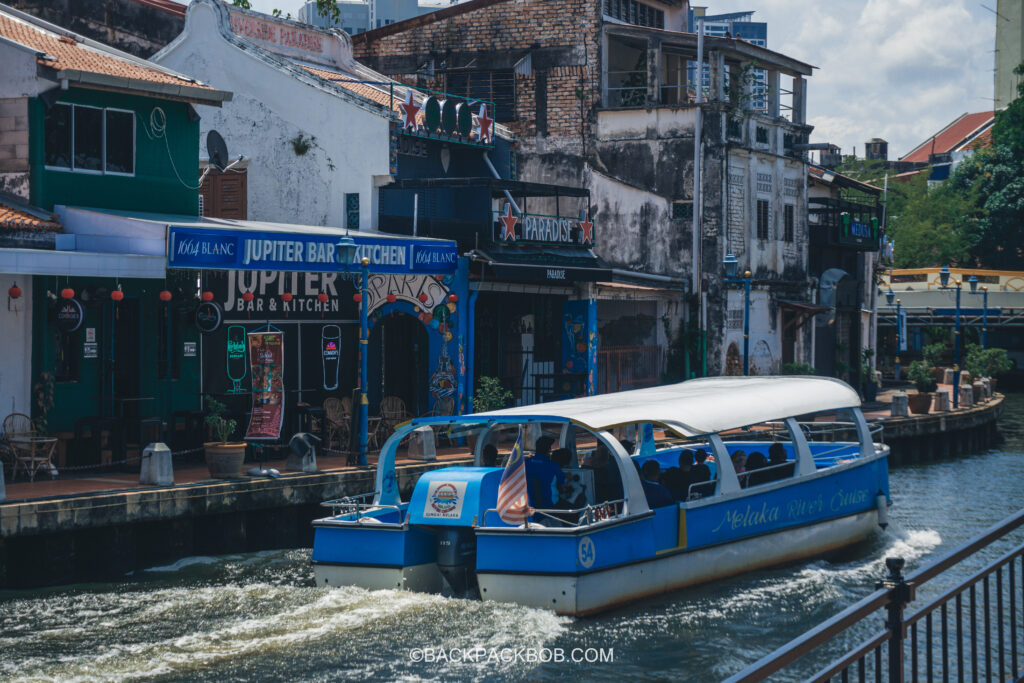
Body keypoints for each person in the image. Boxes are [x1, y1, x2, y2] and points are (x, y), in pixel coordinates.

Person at [525, 435, 566, 508]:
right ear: (549, 450)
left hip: (528, 506)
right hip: (549, 507)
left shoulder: (525, 463)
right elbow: (563, 484)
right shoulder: (553, 466)